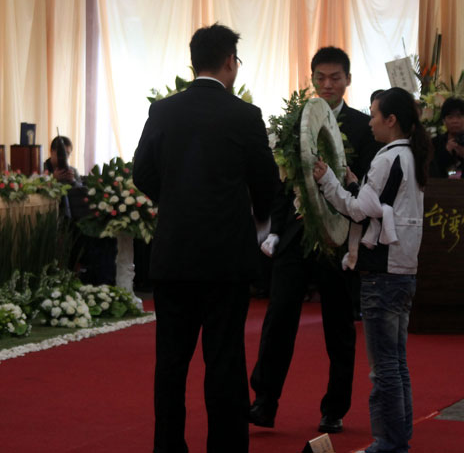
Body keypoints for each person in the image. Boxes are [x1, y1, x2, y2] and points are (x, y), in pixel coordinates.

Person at [133, 23, 278, 453]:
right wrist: (258, 221)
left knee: (171, 364)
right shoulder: (245, 116)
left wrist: (175, 200)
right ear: (231, 62)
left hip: (174, 255)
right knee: (225, 361)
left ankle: (168, 447)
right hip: (226, 259)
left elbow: (141, 172)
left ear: (193, 62)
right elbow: (267, 182)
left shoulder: (163, 111)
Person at [249, 47, 380, 434]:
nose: (327, 84)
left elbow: (367, 186)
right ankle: (264, 401)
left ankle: (335, 408)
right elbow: (282, 179)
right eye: (320, 77)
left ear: (348, 80)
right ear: (311, 78)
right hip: (295, 235)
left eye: (335, 77)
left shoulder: (363, 127)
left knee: (338, 325)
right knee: (278, 317)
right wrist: (274, 229)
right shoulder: (296, 122)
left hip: (338, 239)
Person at [312, 87, 430, 453]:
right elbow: (378, 203)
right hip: (403, 268)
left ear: (391, 120)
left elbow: (358, 210)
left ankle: (389, 442)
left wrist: (327, 180)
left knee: (384, 368)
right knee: (397, 362)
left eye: (375, 114)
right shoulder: (410, 154)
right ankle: (398, 435)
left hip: (382, 270)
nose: (371, 122)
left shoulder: (388, 156)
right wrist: (352, 182)